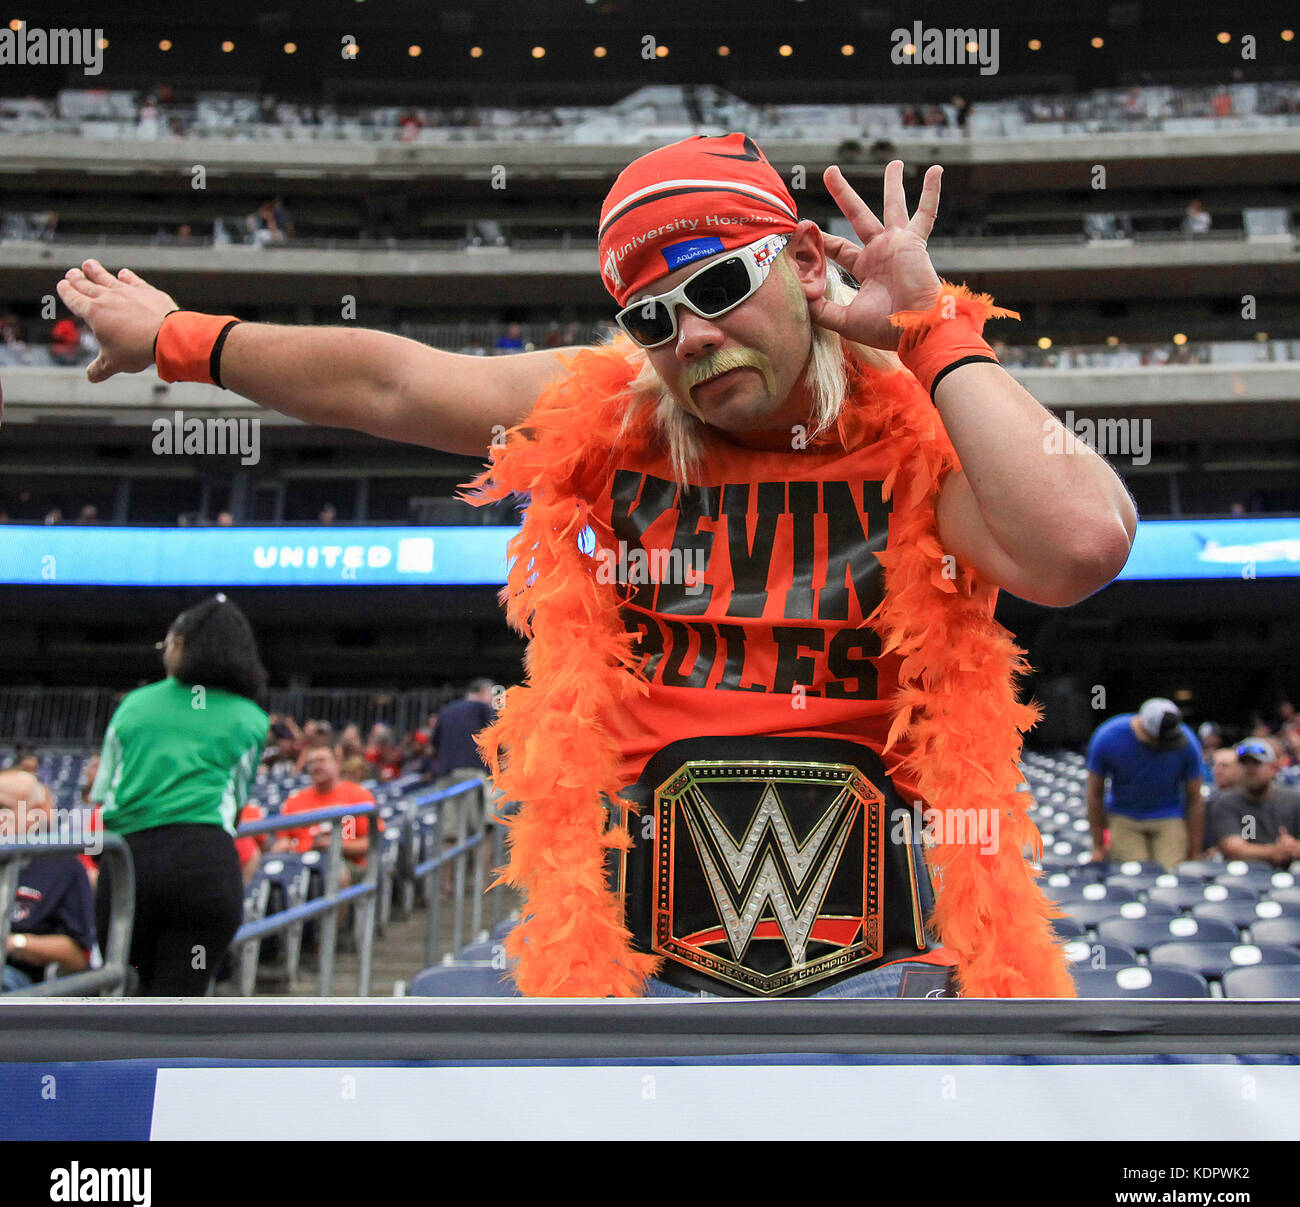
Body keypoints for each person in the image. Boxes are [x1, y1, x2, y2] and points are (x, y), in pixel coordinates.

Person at [56, 132, 1138, 998]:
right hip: (639, 967)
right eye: (654, 318)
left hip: (886, 968)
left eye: (716, 286)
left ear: (807, 262)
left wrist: (929, 328)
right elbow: (395, 385)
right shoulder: (618, 413)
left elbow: (1080, 543)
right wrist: (176, 338)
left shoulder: (921, 439)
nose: (693, 338)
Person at [89, 594, 269, 995]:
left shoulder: (134, 705)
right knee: (179, 1001)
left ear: (182, 644)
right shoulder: (252, 718)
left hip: (128, 864)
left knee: (124, 991)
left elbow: (101, 799)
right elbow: (236, 805)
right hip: (204, 868)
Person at [1, 770, 95, 992]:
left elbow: (78, 957)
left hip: (17, 978)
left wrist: (14, 943)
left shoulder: (63, 867)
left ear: (34, 815)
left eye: (3, 808)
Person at [1086, 698, 1205, 870]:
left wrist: (1195, 852)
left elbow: (1195, 797)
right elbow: (1095, 793)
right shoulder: (1108, 737)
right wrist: (1098, 845)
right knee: (1135, 871)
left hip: (1168, 813)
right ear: (1144, 730)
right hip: (1124, 814)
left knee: (1170, 873)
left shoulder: (1187, 742)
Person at [274, 746, 379, 886]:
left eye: (322, 761)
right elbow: (282, 840)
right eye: (311, 762)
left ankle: (335, 908)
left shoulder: (358, 795)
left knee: (337, 873)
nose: (317, 766)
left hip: (346, 862)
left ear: (337, 763)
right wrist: (282, 846)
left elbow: (372, 843)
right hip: (301, 862)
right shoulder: (295, 800)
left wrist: (335, 845)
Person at [1205, 740, 1300, 867]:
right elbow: (1234, 849)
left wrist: (1293, 847)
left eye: (1256, 764)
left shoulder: (1294, 799)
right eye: (1244, 764)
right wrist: (1274, 851)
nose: (1250, 770)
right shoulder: (1226, 801)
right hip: (1245, 873)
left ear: (1272, 768)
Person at [430, 679, 496, 784]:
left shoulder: (445, 711)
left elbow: (434, 746)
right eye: (491, 695)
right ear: (483, 692)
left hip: (445, 773)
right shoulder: (482, 708)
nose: (493, 700)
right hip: (472, 773)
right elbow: (498, 736)